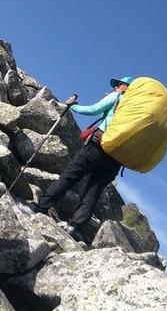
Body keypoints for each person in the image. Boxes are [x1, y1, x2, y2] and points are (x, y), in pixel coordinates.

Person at [28, 76, 134, 241]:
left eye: (119, 85)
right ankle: (74, 226)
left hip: (98, 146)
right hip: (116, 159)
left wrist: (73, 106)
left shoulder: (118, 98)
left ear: (125, 87)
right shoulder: (137, 112)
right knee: (94, 190)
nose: (116, 88)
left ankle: (42, 206)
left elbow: (92, 110)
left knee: (71, 175)